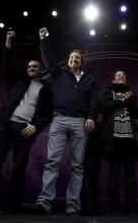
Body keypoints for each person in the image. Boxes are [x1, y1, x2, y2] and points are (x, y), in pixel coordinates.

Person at [0, 29, 53, 214]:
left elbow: (47, 113)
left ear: (41, 70)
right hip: (7, 125)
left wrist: (35, 126)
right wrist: (8, 42)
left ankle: (11, 208)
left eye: (34, 67)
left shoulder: (45, 89)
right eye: (28, 67)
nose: (31, 69)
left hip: (24, 129)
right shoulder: (20, 81)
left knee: (18, 168)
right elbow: (7, 64)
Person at [22, 27, 99, 216]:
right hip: (59, 120)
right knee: (51, 162)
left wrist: (91, 117)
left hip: (80, 123)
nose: (74, 60)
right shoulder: (60, 73)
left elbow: (94, 102)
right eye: (71, 57)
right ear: (69, 60)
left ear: (82, 61)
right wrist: (43, 40)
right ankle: (44, 204)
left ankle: (72, 207)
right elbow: (47, 59)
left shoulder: (90, 80)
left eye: (77, 58)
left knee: (77, 167)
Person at [96, 70, 138, 216]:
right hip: (113, 137)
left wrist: (130, 100)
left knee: (130, 171)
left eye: (123, 76)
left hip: (129, 137)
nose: (121, 77)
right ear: (113, 80)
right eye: (118, 76)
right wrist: (122, 101)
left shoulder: (131, 94)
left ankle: (131, 209)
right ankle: (114, 209)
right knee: (114, 170)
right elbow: (102, 108)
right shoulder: (107, 92)